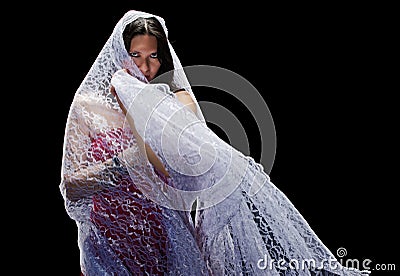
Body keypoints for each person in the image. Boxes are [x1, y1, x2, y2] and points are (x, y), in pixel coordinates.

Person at [60, 10, 370, 275]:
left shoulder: (175, 102)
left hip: (164, 239)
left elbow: (176, 171)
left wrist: (132, 110)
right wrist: (121, 164)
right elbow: (71, 187)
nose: (143, 66)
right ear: (119, 54)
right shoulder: (87, 107)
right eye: (135, 55)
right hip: (107, 242)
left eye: (153, 56)